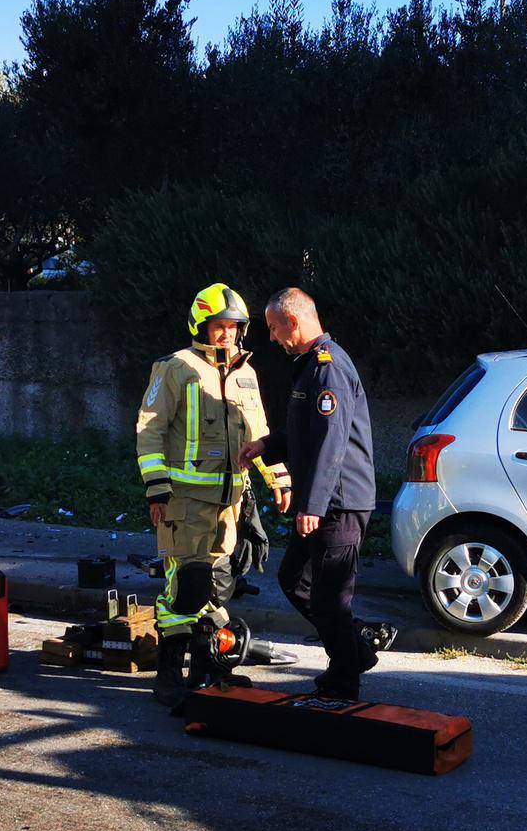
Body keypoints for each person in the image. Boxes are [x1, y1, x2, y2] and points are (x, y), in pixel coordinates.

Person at [134, 283, 289, 708]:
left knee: (218, 587)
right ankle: (168, 674)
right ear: (200, 325)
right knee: (186, 587)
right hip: (183, 500)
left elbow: (258, 435)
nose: (227, 335)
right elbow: (150, 430)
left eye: (234, 328)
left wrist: (278, 479)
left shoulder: (246, 373)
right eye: (219, 327)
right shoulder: (176, 367)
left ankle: (204, 670)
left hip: (230, 503)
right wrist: (157, 488)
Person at [240, 288, 382, 702]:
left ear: (293, 322)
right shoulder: (309, 367)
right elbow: (305, 434)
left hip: (338, 504)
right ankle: (355, 649)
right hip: (322, 502)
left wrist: (313, 506)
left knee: (329, 598)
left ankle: (343, 683)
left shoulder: (329, 367)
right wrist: (266, 445)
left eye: (272, 327)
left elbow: (331, 444)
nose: (270, 337)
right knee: (293, 580)